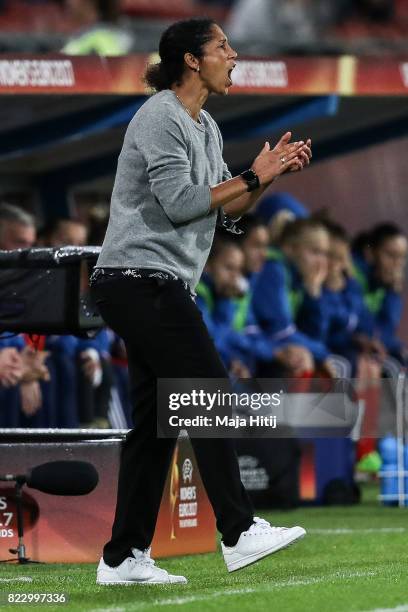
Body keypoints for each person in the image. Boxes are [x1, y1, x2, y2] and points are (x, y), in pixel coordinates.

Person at [90, 18, 311, 585]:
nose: (234, 56)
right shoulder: (160, 116)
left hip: (156, 283)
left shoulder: (205, 125)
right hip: (139, 280)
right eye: (223, 47)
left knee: (156, 424)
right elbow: (184, 203)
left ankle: (122, 557)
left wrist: (266, 178)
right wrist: (248, 174)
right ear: (192, 60)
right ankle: (238, 530)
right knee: (207, 391)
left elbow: (226, 212)